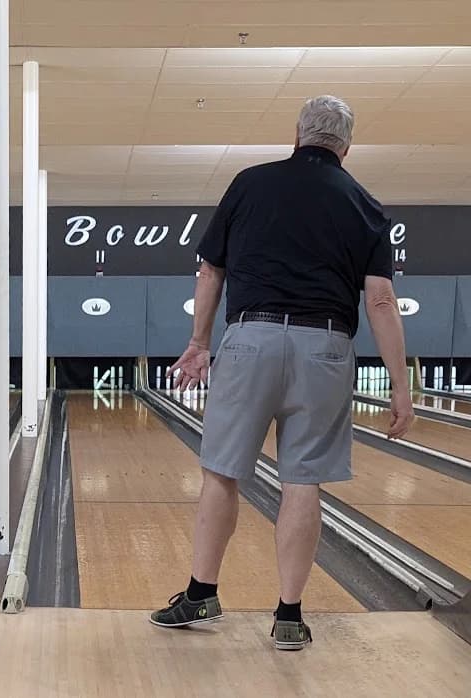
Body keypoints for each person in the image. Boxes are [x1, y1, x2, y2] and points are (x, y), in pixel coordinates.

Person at [149, 95, 415, 650]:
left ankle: (201, 593)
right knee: (302, 480)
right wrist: (400, 385)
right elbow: (383, 301)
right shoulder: (366, 205)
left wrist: (199, 342)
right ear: (346, 145)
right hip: (327, 347)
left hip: (251, 338)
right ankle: (289, 615)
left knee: (222, 472)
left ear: (296, 135)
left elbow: (209, 271)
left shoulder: (249, 183)